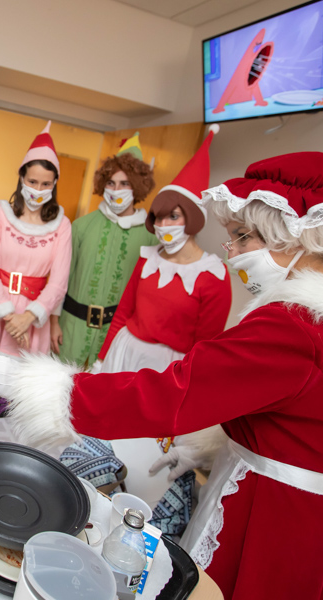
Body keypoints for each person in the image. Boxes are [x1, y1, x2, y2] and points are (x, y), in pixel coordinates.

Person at [0, 152, 323, 599]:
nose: (230, 251)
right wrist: (206, 450)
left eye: (241, 237)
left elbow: (177, 388)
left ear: (292, 237)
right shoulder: (300, 318)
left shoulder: (293, 323)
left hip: (274, 512)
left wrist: (37, 385)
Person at [90, 128, 231, 528]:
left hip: (166, 372)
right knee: (106, 437)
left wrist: (185, 403)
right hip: (125, 352)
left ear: (193, 219)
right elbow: (123, 312)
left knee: (142, 453)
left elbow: (205, 348)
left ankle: (128, 519)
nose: (165, 224)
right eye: (160, 216)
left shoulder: (213, 275)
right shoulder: (147, 257)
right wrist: (101, 363)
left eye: (175, 215)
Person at [0, 121, 71, 356]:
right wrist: (9, 317)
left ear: (54, 184)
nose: (38, 189)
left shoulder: (62, 226)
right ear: (21, 178)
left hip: (32, 318)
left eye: (45, 184)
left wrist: (27, 319)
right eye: (32, 181)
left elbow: (59, 282)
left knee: (14, 387)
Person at [54, 132, 157, 366]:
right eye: (110, 182)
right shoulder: (81, 226)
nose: (115, 189)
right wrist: (53, 323)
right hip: (70, 329)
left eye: (124, 183)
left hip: (117, 335)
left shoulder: (150, 237)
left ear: (137, 186)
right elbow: (62, 280)